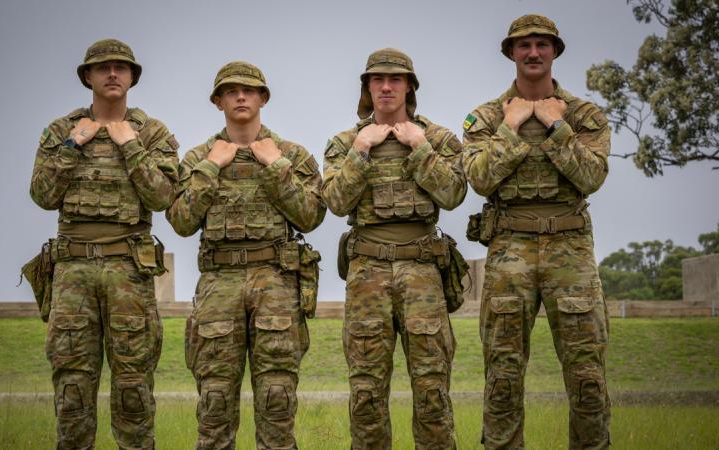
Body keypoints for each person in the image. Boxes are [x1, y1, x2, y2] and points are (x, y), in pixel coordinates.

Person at [462, 14, 612, 449]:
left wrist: (555, 125)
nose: (532, 53)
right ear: (510, 53)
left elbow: (592, 177)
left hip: (571, 249)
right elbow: (480, 179)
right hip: (510, 248)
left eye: (541, 45)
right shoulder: (487, 117)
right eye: (523, 45)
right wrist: (510, 127)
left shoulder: (584, 115)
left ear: (554, 52)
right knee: (503, 375)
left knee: (587, 376)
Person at [166, 61, 325, 450]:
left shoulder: (291, 154)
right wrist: (210, 167)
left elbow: (311, 215)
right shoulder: (197, 157)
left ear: (262, 98)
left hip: (276, 282)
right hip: (219, 284)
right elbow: (182, 221)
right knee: (215, 400)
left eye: (249, 90)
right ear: (218, 100)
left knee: (277, 398)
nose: (241, 96)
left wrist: (276, 166)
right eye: (231, 90)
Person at [29, 38, 179, 450]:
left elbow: (164, 196)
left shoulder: (152, 133)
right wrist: (72, 146)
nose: (112, 74)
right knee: (72, 384)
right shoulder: (62, 131)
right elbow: (42, 195)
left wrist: (130, 145)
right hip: (72, 271)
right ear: (88, 77)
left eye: (121, 68)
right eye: (103, 68)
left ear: (132, 77)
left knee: (133, 382)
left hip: (128, 271)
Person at [322, 48, 468, 450]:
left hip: (423, 271)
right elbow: (334, 202)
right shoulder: (344, 143)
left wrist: (419, 147)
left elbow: (454, 193)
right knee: (366, 392)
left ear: (409, 86)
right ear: (367, 88)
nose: (386, 87)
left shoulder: (437, 139)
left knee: (433, 388)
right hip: (367, 270)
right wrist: (361, 152)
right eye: (377, 80)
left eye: (396, 79)